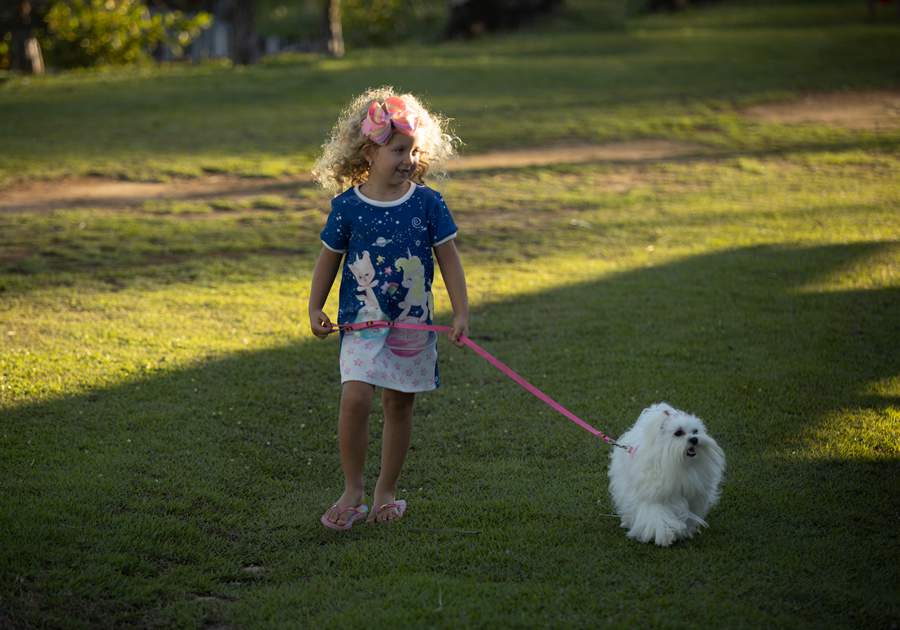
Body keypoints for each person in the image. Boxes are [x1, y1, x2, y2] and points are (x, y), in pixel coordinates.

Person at [308, 87, 469, 529]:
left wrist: (460, 312)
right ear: (369, 150)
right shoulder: (347, 208)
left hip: (413, 327)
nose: (408, 159)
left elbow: (449, 259)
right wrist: (314, 307)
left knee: (399, 405)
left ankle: (386, 493)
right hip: (361, 325)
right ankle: (353, 490)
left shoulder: (428, 203)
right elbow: (329, 260)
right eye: (398, 149)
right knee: (355, 397)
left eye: (414, 150)